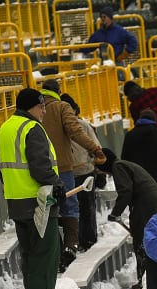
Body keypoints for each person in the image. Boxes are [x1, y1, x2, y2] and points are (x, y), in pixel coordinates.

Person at [0, 89, 65, 289]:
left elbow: (0, 169)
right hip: (39, 201)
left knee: (29, 252)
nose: (44, 110)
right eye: (41, 106)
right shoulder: (32, 128)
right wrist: (57, 184)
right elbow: (40, 166)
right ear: (31, 107)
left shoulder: (5, 128)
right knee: (45, 252)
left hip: (16, 201)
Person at [39, 80, 104, 268]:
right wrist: (95, 149)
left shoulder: (34, 108)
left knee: (49, 208)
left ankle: (57, 252)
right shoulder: (61, 106)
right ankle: (70, 247)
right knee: (69, 206)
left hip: (40, 168)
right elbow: (74, 130)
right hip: (63, 166)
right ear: (58, 91)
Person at [97, 149, 157, 289]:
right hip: (149, 201)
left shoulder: (118, 167)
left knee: (141, 240)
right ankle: (146, 278)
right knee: (145, 237)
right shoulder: (122, 164)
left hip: (145, 203)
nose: (106, 175)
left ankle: (144, 280)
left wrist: (115, 213)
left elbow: (125, 191)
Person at [63, 93, 99, 251]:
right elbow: (95, 146)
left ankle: (75, 241)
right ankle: (88, 240)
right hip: (85, 171)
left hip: (68, 173)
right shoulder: (83, 125)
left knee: (73, 209)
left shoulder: (58, 128)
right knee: (87, 207)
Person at [123, 81, 157, 187]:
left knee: (154, 160)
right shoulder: (155, 91)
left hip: (150, 135)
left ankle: (154, 184)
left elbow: (137, 124)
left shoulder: (134, 105)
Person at [120, 108, 157, 192]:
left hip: (137, 180)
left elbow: (124, 159)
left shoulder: (130, 136)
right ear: (154, 120)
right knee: (156, 204)